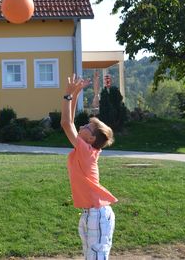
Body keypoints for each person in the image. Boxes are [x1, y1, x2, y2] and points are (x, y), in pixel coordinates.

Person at [60, 74, 117, 260]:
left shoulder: (86, 151)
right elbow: (72, 121)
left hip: (97, 214)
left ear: (91, 139)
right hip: (89, 214)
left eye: (88, 126)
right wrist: (75, 93)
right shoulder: (85, 148)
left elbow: (66, 123)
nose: (83, 125)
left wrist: (67, 95)